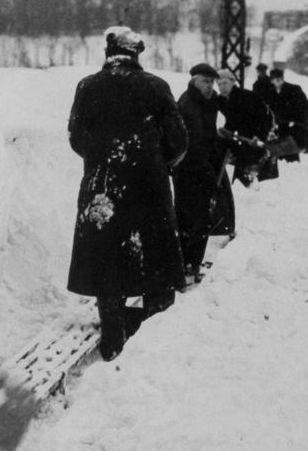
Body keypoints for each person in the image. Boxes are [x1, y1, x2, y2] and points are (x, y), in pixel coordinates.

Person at [67, 26, 187, 359]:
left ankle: (112, 340)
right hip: (149, 189)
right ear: (136, 54)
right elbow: (178, 140)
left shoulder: (87, 87)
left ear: (108, 53)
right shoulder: (155, 86)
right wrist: (155, 164)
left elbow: (76, 137)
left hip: (103, 187)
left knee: (107, 263)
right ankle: (154, 347)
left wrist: (103, 159)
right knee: (156, 262)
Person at [172, 63, 228, 284]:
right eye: (205, 81)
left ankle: (191, 265)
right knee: (189, 220)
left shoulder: (207, 101)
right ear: (194, 80)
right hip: (188, 171)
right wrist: (208, 174)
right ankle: (186, 267)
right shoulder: (187, 105)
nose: (209, 86)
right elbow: (192, 144)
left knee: (201, 219)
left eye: (212, 82)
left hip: (202, 168)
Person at [215, 67, 278, 185]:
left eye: (225, 83)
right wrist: (226, 130)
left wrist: (259, 136)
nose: (222, 87)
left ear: (233, 82)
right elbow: (232, 119)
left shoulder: (247, 96)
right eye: (219, 84)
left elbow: (266, 118)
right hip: (243, 136)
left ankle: (252, 180)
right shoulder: (222, 101)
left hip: (257, 133)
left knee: (256, 164)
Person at [266, 67, 308, 159]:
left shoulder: (294, 89)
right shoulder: (270, 92)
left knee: (292, 149)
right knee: (279, 148)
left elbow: (307, 105)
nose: (279, 81)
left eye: (281, 79)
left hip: (295, 123)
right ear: (272, 81)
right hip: (280, 124)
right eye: (276, 79)